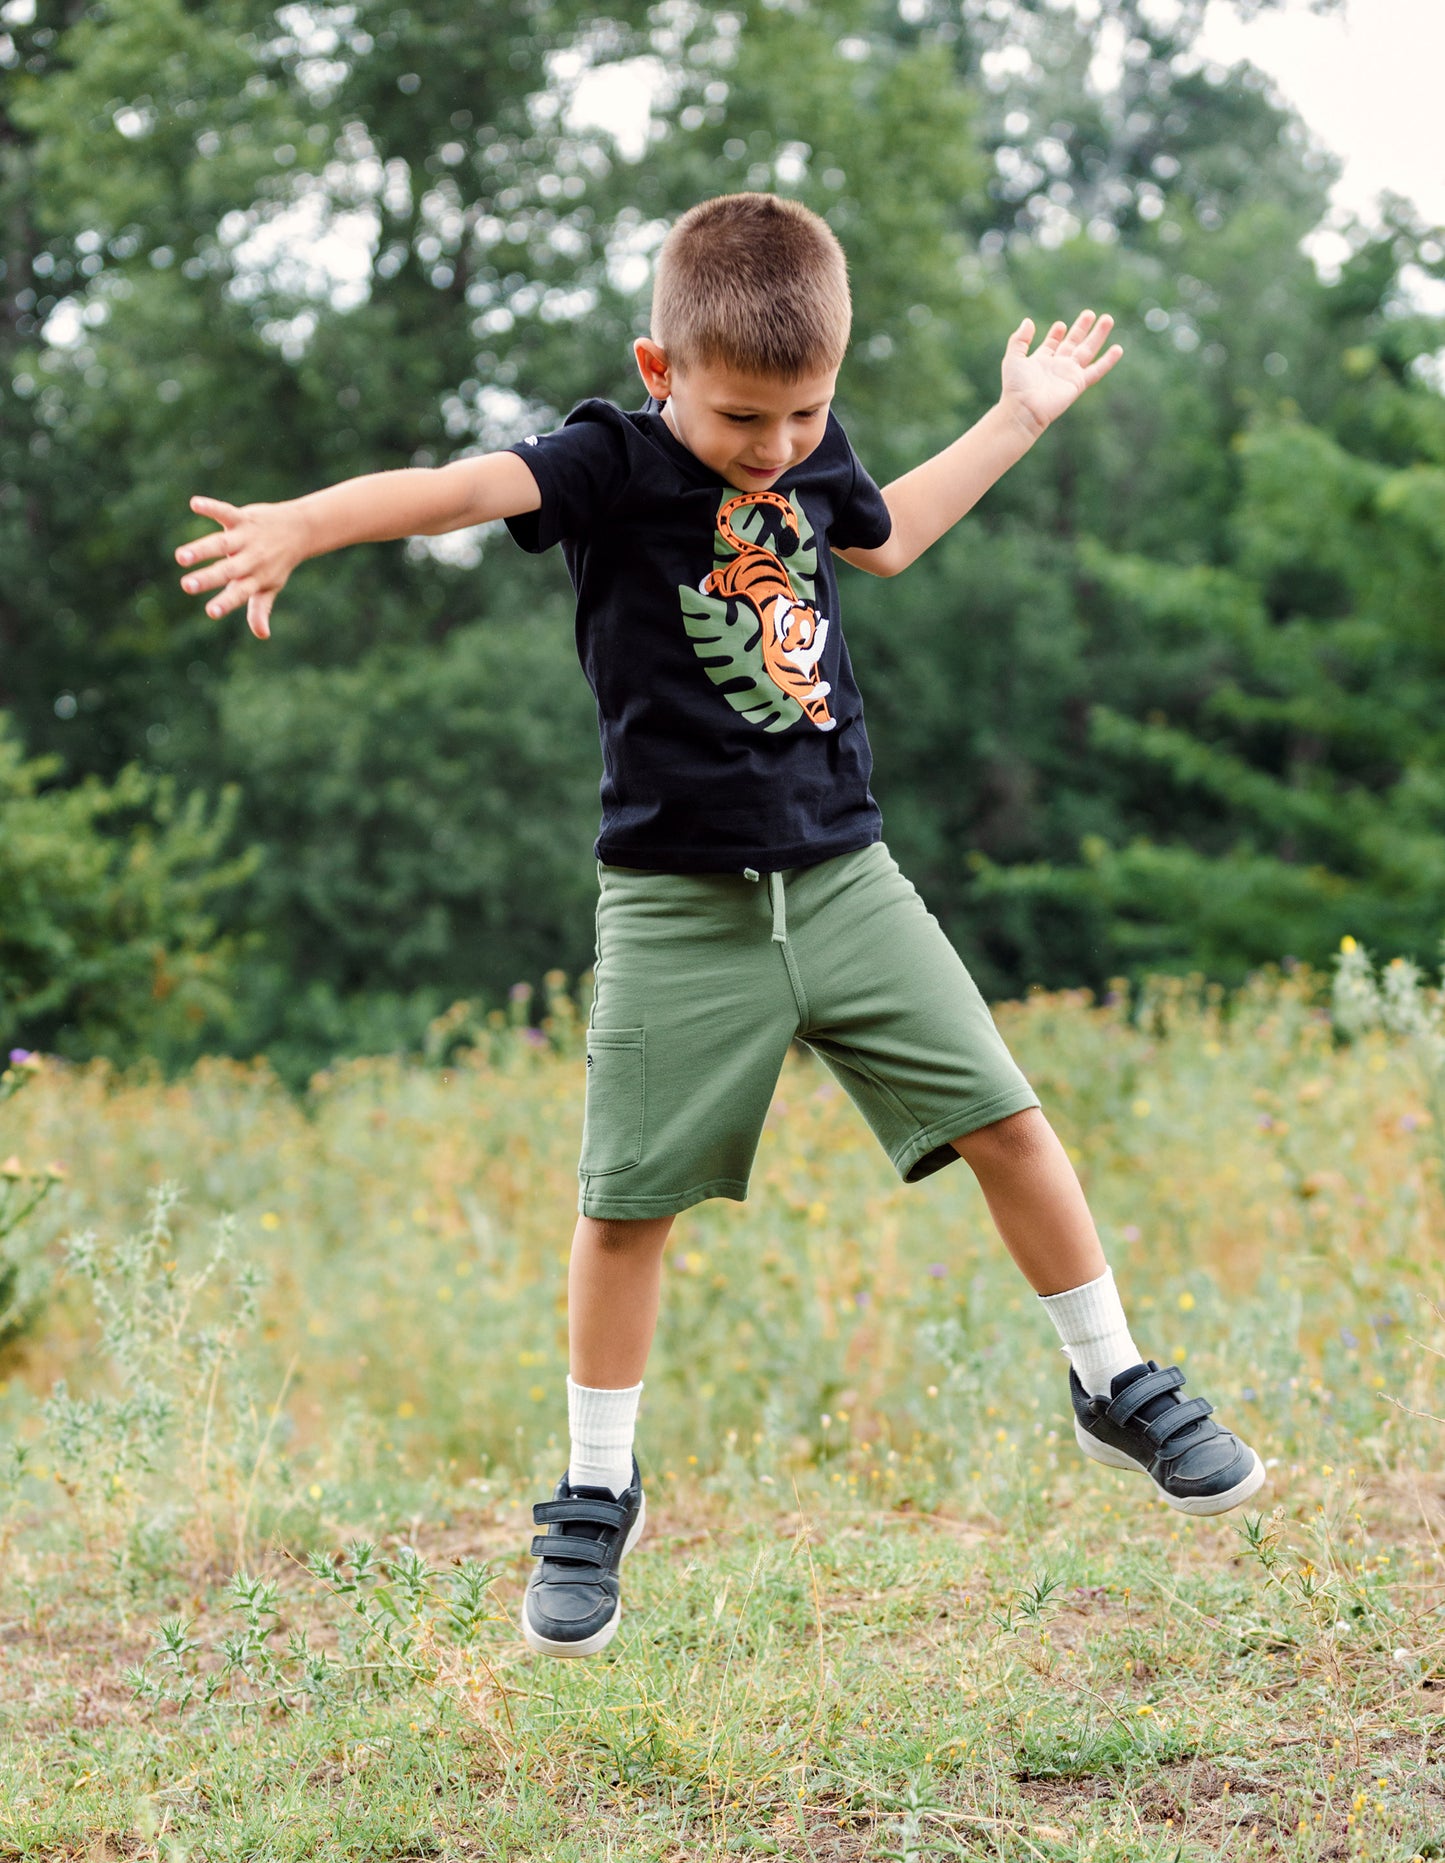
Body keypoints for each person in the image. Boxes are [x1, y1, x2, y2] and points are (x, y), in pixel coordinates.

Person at [175, 191, 1264, 1660]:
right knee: (626, 1202)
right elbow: (452, 488)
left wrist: (1021, 416)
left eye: (803, 413)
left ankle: (1111, 1380)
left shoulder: (815, 459)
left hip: (846, 877)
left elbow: (884, 544)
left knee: (1007, 1119)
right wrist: (305, 523)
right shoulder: (606, 462)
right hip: (676, 904)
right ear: (657, 369)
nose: (774, 448)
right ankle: (593, 1488)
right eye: (744, 416)